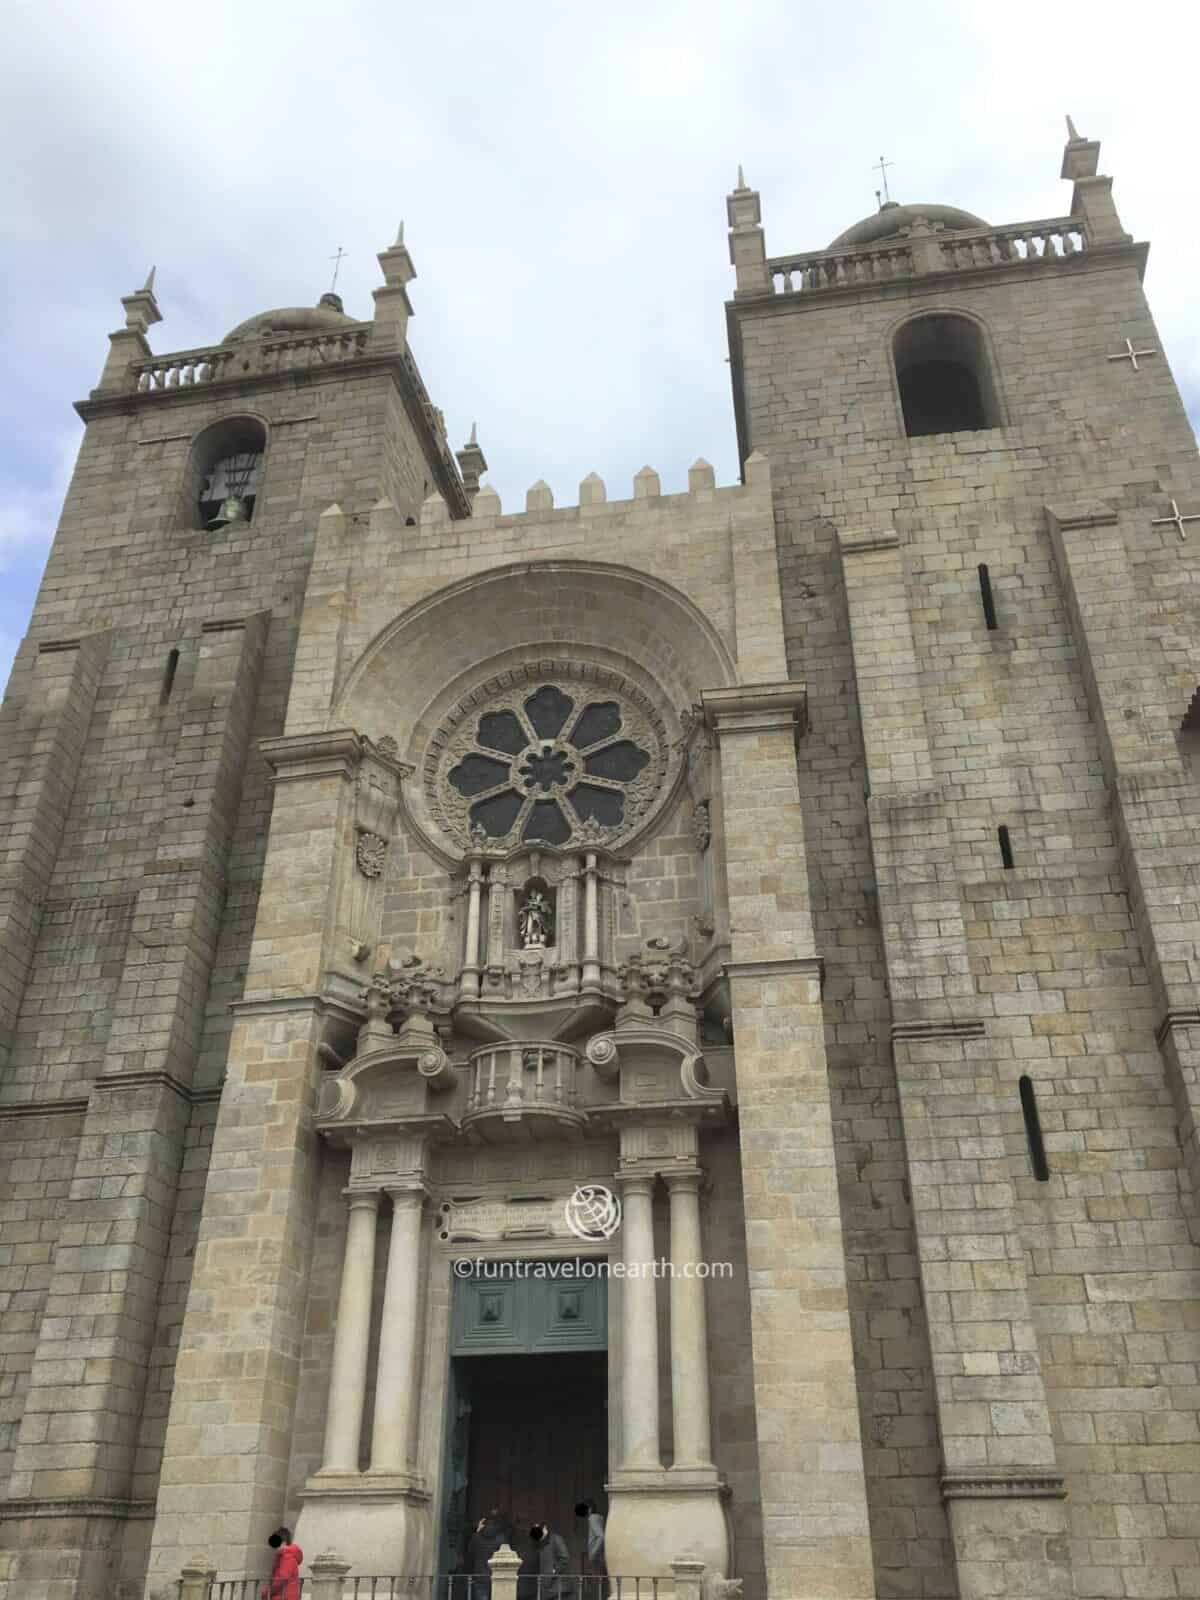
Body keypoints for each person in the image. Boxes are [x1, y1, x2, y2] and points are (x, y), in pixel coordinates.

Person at [467, 1508, 508, 1599]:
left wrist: (477, 1530)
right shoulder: (502, 1538)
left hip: (480, 1575)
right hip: (497, 1575)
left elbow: (470, 1552)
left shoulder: (476, 1537)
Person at [529, 1522, 573, 1600]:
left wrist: (553, 1572)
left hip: (558, 1589)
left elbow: (564, 1558)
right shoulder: (539, 1543)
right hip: (547, 1589)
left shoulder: (556, 1538)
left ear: (545, 1528)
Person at [261, 1527, 303, 1600]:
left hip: (283, 1597)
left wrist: (267, 1592)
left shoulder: (287, 1557)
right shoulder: (285, 1556)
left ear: (283, 1542)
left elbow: (281, 1580)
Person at [574, 1502, 606, 1596]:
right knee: (598, 1585)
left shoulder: (592, 1518)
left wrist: (593, 1553)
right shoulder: (598, 1518)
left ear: (590, 1509)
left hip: (596, 1557)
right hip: (599, 1557)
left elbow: (601, 1536)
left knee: (595, 1586)